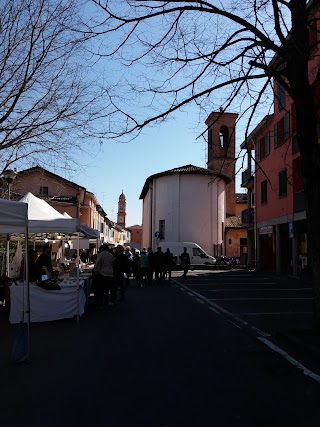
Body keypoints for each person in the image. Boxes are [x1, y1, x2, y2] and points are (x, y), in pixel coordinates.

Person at [94, 244, 114, 310]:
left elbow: (97, 263)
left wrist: (96, 271)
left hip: (102, 274)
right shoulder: (111, 255)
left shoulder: (101, 255)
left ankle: (100, 304)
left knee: (101, 290)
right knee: (107, 290)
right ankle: (106, 302)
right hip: (110, 274)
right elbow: (112, 264)